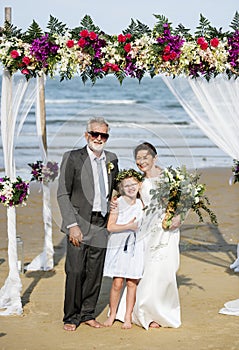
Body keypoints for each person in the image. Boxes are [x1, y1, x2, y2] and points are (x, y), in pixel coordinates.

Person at [57, 117, 119, 331]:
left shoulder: (112, 159)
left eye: (103, 135)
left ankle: (87, 314)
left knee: (94, 271)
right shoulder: (72, 158)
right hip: (79, 222)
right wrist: (71, 225)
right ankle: (71, 316)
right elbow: (63, 194)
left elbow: (114, 189)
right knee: (74, 270)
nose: (99, 138)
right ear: (87, 135)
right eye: (95, 134)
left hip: (100, 224)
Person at [116, 142, 181, 330]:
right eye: (138, 158)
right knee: (150, 271)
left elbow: (181, 203)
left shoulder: (170, 178)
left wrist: (178, 218)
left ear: (155, 157)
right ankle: (145, 314)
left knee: (167, 271)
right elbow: (130, 200)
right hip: (148, 231)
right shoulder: (139, 182)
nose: (141, 161)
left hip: (168, 230)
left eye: (145, 157)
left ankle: (164, 311)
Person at [103, 169, 144, 329]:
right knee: (117, 282)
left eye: (134, 184)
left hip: (136, 246)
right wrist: (129, 226)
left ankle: (128, 316)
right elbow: (110, 226)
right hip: (119, 246)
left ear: (139, 185)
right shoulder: (117, 202)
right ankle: (112, 314)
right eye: (127, 185)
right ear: (121, 188)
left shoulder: (142, 203)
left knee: (132, 282)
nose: (131, 187)